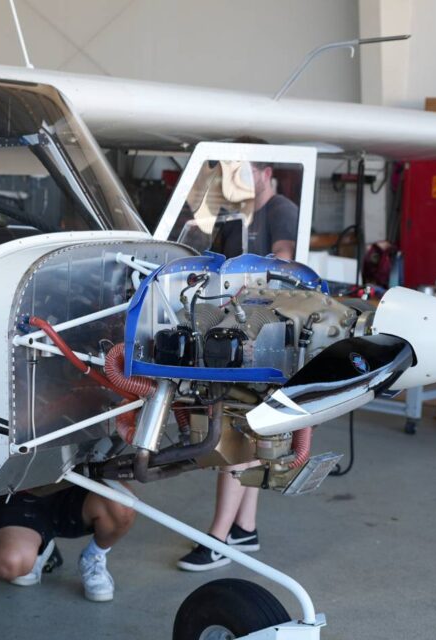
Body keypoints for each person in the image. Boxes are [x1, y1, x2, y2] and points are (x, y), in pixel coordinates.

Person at [177, 155, 300, 572]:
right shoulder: (237, 212)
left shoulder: (280, 210)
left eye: (247, 172)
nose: (239, 180)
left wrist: (256, 271)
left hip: (266, 330)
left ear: (267, 174)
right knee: (252, 429)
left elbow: (284, 255)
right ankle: (244, 528)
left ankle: (218, 539)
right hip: (241, 326)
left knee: (236, 433)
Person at [0, 486, 135, 602]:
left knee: (122, 503)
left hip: (74, 481)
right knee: (9, 563)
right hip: (15, 489)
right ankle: (40, 546)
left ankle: (94, 555)